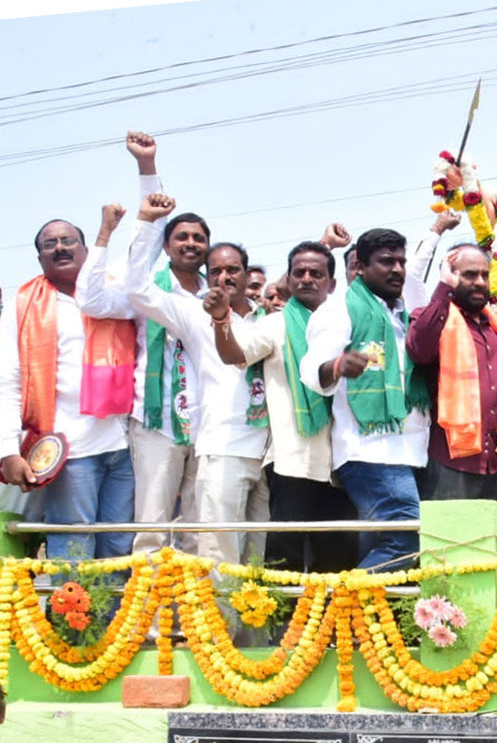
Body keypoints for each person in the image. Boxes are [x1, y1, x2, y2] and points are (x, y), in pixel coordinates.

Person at [77, 131, 204, 554]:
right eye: (181, 237)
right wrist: (147, 170)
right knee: (151, 529)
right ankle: (148, 622)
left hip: (208, 425)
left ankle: (194, 619)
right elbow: (92, 300)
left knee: (199, 532)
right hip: (157, 424)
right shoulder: (145, 293)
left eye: (198, 238)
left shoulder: (217, 297)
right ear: (166, 247)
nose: (190, 243)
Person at [126, 193, 271, 566]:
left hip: (266, 453)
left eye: (233, 270)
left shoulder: (269, 318)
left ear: (247, 273)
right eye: (216, 272)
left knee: (247, 555)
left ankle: (211, 624)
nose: (225, 278)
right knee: (169, 536)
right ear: (207, 276)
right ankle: (155, 625)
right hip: (218, 446)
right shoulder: (193, 313)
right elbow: (137, 290)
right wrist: (145, 224)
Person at [208, 241, 359, 573]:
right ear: (288, 281)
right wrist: (222, 320)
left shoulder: (350, 324)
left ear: (332, 284)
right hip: (294, 460)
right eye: (299, 273)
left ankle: (329, 627)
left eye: (316, 273)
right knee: (284, 560)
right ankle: (281, 626)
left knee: (337, 561)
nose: (307, 279)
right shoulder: (275, 326)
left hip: (344, 461)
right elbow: (234, 354)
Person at [0, 209, 137, 564]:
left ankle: (111, 620)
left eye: (68, 241)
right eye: (50, 244)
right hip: (67, 451)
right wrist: (7, 451)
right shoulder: (23, 306)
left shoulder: (113, 295)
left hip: (122, 444)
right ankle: (72, 622)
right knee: (73, 545)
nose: (60, 248)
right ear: (40, 257)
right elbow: (9, 380)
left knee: (119, 546)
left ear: (85, 248)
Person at [300, 228, 431, 571]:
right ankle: (341, 605)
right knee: (408, 535)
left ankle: (364, 624)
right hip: (367, 450)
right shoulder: (340, 310)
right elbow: (311, 371)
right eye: (386, 262)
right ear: (359, 266)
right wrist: (339, 365)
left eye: (401, 261)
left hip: (412, 450)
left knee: (382, 542)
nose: (398, 269)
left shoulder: (404, 313)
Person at [406, 213, 497, 514]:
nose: (479, 282)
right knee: (449, 554)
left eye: (484, 274)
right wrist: (442, 289)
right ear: (451, 275)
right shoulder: (435, 317)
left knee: (494, 553)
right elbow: (419, 349)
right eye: (469, 275)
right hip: (450, 462)